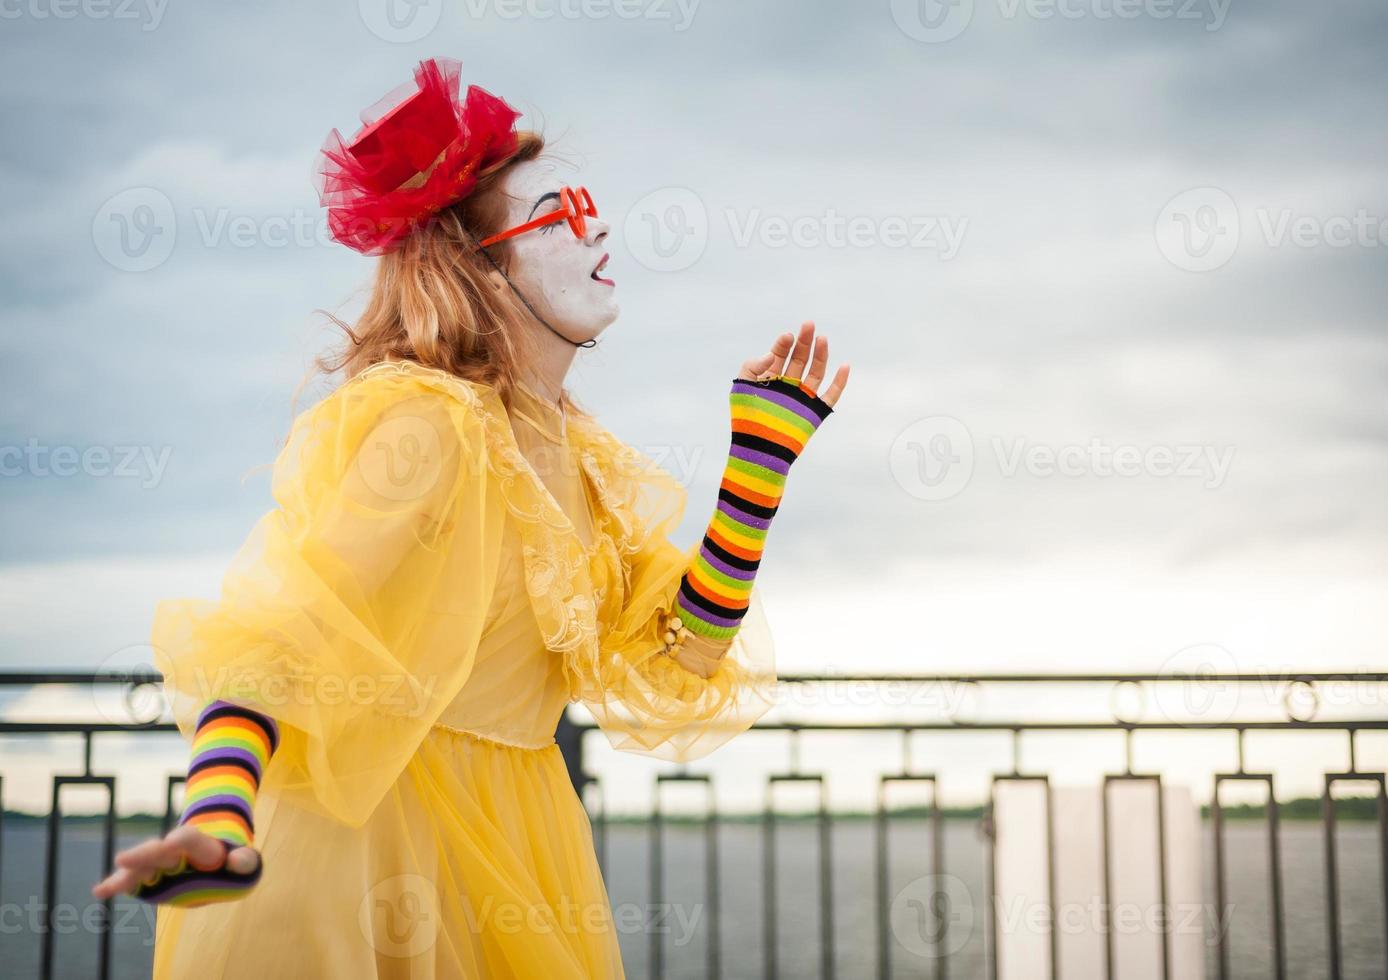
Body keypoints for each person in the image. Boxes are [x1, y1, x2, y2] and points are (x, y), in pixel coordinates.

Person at [92, 57, 849, 978]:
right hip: (361, 850)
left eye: (592, 204)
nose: (600, 223)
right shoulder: (429, 420)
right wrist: (216, 814)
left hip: (516, 846)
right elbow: (288, 627)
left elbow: (673, 659)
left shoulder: (579, 460)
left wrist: (756, 471)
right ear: (481, 268)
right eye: (563, 212)